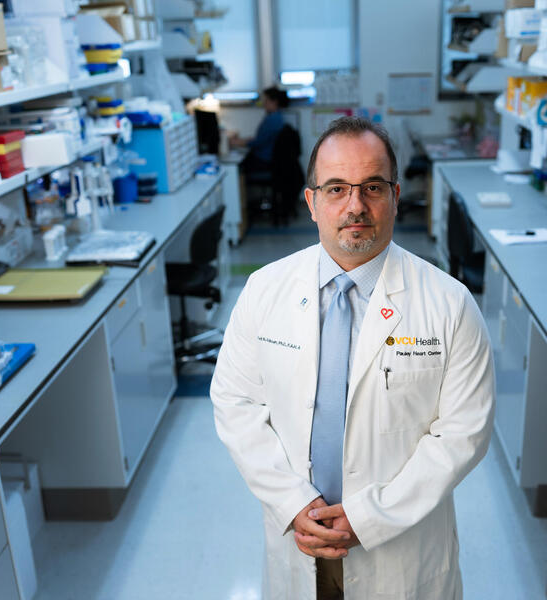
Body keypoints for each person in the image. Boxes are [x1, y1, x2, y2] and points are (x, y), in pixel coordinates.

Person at [211, 116, 495, 600]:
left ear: (396, 195)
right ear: (312, 201)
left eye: (372, 187)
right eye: (337, 188)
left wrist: (368, 519)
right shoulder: (264, 290)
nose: (355, 206)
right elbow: (236, 404)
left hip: (400, 549)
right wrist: (293, 503)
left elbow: (463, 433)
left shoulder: (449, 303)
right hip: (299, 534)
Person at [230, 86, 288, 175]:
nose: (264, 104)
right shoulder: (275, 116)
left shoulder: (273, 120)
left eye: (266, 101)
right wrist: (245, 140)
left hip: (264, 159)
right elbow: (262, 138)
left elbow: (259, 142)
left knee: (238, 165)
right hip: (266, 156)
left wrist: (239, 143)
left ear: (274, 101)